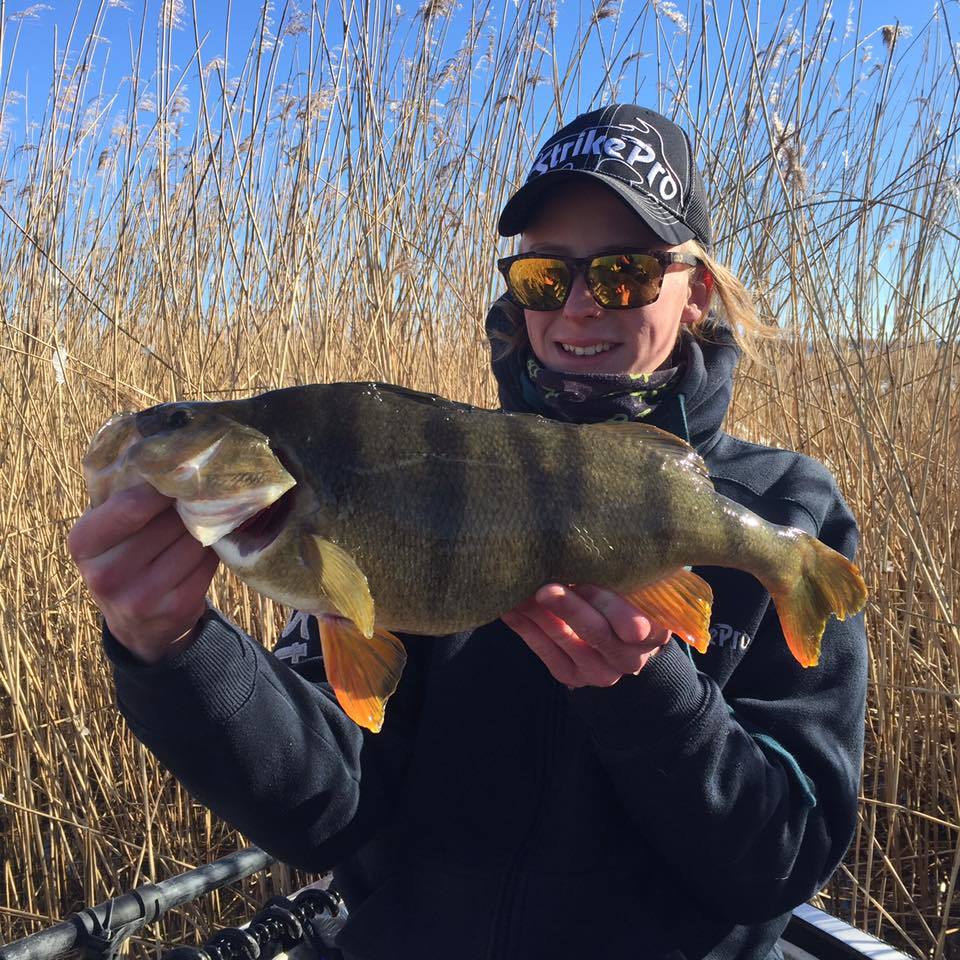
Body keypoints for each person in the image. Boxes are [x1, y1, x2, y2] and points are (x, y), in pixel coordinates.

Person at [68, 104, 868, 960]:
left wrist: (653, 698)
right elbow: (328, 805)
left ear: (696, 290)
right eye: (542, 278)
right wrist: (176, 649)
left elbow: (785, 862)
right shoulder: (418, 473)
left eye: (625, 274)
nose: (580, 308)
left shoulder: (787, 511)